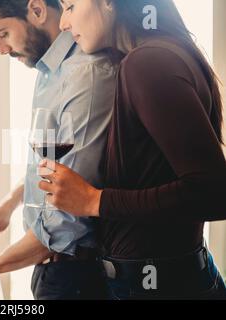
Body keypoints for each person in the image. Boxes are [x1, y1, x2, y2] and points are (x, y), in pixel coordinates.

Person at [38, 0, 226, 299]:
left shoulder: (149, 62)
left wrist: (94, 201)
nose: (63, 23)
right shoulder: (162, 53)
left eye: (71, 6)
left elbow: (214, 193)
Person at [0, 0, 117, 299]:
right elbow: (52, 164)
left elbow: (67, 219)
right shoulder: (51, 70)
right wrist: (8, 205)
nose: (1, 49)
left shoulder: (86, 75)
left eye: (3, 33)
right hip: (53, 271)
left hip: (76, 279)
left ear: (36, 10)